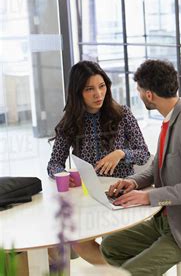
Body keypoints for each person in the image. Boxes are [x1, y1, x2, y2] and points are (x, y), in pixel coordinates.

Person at [100, 59, 181, 275]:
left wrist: (149, 197)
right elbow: (156, 167)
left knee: (130, 272)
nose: (139, 95)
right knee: (110, 246)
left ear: (149, 95)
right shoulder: (170, 120)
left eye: (139, 91)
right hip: (168, 221)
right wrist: (133, 182)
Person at [47, 60, 150, 265]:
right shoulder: (71, 121)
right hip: (89, 196)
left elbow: (144, 154)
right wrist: (64, 175)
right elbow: (53, 164)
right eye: (90, 89)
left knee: (113, 241)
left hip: (121, 193)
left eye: (101, 86)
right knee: (77, 242)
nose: (98, 94)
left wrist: (121, 153)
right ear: (78, 92)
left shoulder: (123, 114)